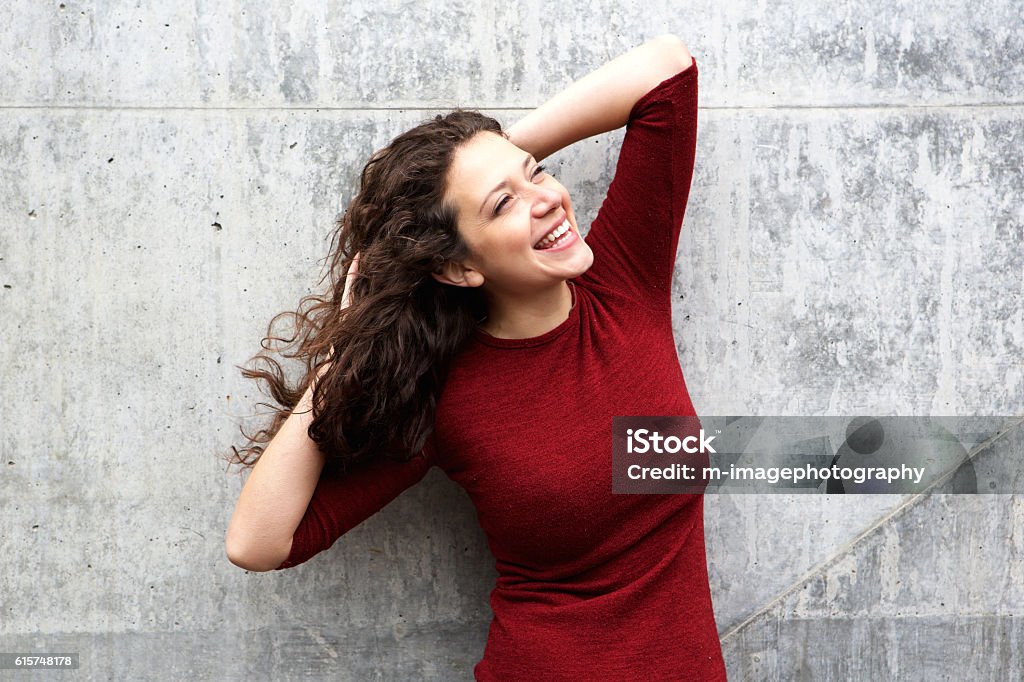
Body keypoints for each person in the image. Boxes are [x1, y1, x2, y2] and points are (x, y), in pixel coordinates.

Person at [224, 34, 727, 681]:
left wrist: (496, 165)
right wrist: (340, 358)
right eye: (503, 205)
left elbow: (668, 70)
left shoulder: (624, 283)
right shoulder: (445, 401)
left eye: (537, 173)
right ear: (459, 266)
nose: (545, 197)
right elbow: (257, 543)